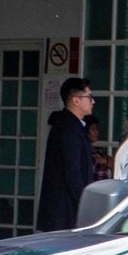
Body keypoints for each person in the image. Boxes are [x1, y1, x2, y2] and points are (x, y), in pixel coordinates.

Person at [33, 76, 95, 232]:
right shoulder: (67, 128)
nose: (93, 102)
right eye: (89, 97)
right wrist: (84, 206)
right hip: (64, 212)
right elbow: (72, 171)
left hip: (66, 211)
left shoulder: (73, 125)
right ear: (76, 100)